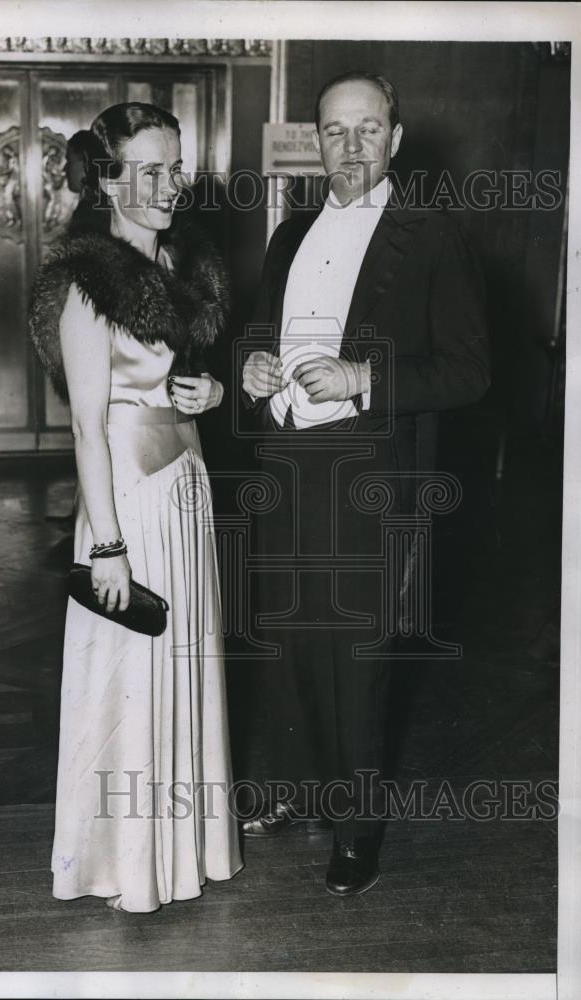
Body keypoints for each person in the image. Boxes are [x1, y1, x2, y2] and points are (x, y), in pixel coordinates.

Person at [241, 71, 490, 895]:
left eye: (368, 129)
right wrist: (248, 364)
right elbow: (253, 333)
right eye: (335, 131)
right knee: (287, 638)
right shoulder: (288, 235)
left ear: (396, 138)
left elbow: (468, 371)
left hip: (371, 475)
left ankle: (356, 829)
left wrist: (362, 377)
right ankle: (296, 790)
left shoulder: (430, 232)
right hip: (287, 463)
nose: (350, 146)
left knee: (356, 653)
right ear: (314, 142)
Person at [29, 102, 243, 913]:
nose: (167, 186)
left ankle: (182, 845)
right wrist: (107, 548)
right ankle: (125, 864)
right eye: (146, 170)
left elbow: (174, 385)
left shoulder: (184, 270)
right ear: (107, 181)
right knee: (131, 676)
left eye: (174, 167)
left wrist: (211, 391)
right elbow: (86, 423)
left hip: (186, 488)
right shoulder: (87, 284)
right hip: (126, 500)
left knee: (181, 663)